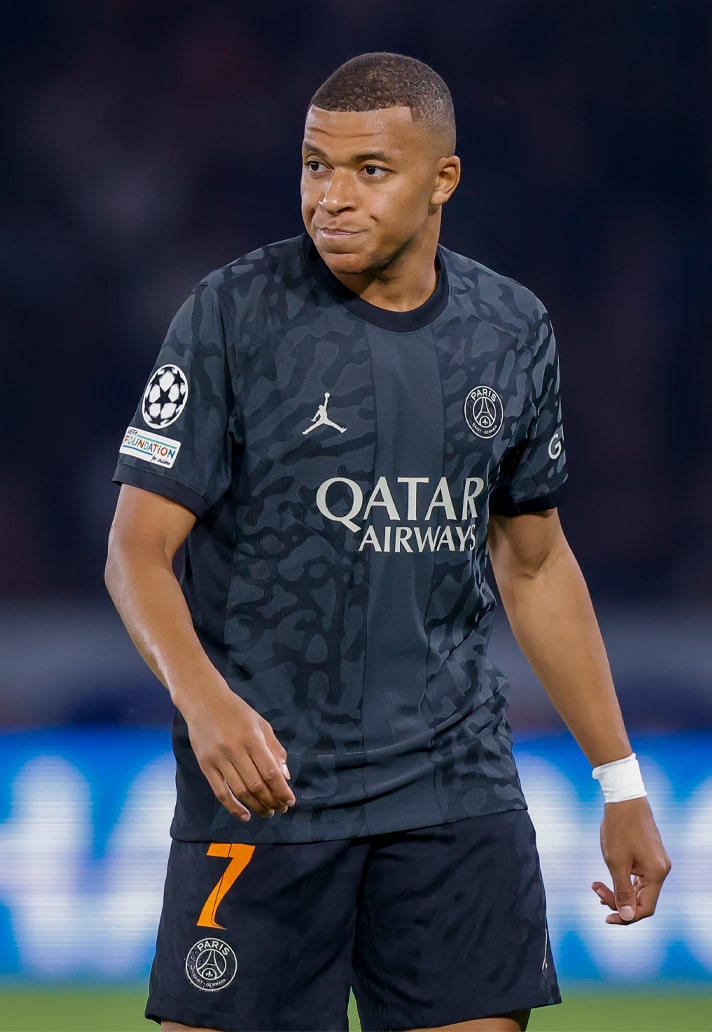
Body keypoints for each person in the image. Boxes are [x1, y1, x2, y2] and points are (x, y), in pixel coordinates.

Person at [105, 52, 670, 1032]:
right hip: (267, 796)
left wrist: (619, 782)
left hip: (457, 794)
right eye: (314, 165)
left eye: (369, 170)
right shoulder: (230, 315)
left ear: (442, 179)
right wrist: (206, 702)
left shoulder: (510, 329)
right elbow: (135, 549)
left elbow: (534, 563)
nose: (331, 197)